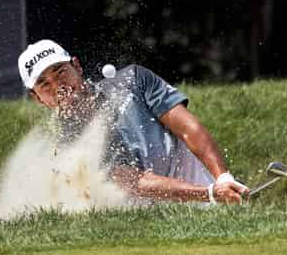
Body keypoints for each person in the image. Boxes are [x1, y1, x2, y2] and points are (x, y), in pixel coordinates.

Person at [18, 39, 249, 205]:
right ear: (38, 99)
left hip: (209, 189)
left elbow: (189, 129)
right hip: (155, 218)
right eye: (44, 84)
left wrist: (222, 177)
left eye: (60, 72)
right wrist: (208, 194)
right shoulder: (73, 147)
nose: (59, 86)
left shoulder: (132, 81)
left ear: (76, 66)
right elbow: (134, 182)